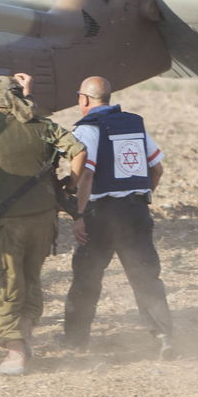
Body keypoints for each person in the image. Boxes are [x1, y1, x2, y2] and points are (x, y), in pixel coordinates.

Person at [0, 75, 85, 376]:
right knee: (31, 279)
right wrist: (72, 185)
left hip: (7, 224)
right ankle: (26, 334)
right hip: (44, 219)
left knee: (7, 284)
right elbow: (80, 151)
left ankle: (16, 354)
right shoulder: (43, 126)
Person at [62, 76, 174, 359]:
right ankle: (164, 336)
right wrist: (142, 197)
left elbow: (87, 174)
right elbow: (157, 169)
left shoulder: (87, 129)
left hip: (100, 215)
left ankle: (76, 341)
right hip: (135, 211)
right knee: (146, 276)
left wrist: (79, 214)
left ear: (84, 99)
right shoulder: (134, 123)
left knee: (87, 278)